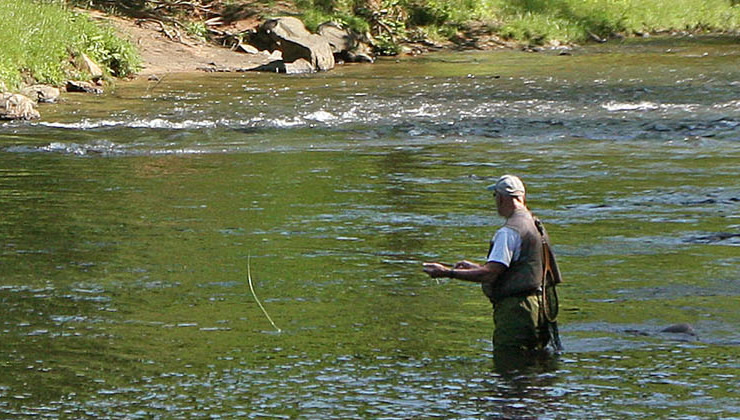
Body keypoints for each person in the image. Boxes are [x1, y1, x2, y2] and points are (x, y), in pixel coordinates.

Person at [423, 174, 562, 353]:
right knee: (535, 364)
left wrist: (447, 272)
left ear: (502, 198)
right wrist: (477, 268)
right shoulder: (534, 224)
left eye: (495, 196)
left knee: (509, 366)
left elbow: (490, 274)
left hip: (517, 312)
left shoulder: (509, 231)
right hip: (540, 307)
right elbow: (521, 266)